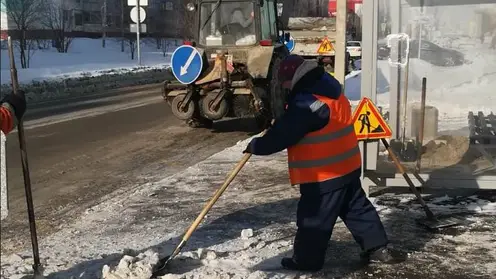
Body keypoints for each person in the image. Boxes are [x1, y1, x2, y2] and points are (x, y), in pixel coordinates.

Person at [243, 55, 400, 271]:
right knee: (357, 209)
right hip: (348, 166)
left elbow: (285, 134)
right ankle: (378, 248)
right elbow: (302, 123)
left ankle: (306, 261)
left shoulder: (307, 102)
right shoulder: (328, 88)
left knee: (313, 219)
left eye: (285, 82)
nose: (285, 87)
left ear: (293, 77)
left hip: (325, 174)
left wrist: (257, 146)